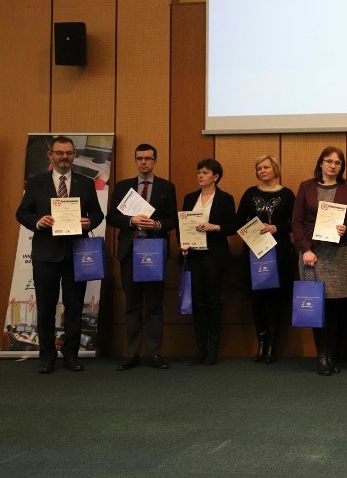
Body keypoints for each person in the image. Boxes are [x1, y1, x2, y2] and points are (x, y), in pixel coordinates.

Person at [15, 136, 104, 374]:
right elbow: (21, 213)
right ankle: (47, 356)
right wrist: (37, 221)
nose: (64, 157)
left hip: (77, 254)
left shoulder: (86, 183)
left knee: (74, 307)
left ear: (74, 155)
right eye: (60, 153)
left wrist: (89, 221)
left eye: (69, 153)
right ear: (51, 156)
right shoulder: (36, 183)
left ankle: (71, 355)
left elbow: (98, 214)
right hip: (46, 254)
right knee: (45, 307)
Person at [292, 147, 347, 376]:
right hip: (314, 254)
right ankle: (322, 356)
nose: (333, 166)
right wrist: (305, 249)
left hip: (341, 253)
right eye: (329, 161)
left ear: (342, 167)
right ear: (321, 163)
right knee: (318, 305)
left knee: (338, 306)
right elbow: (297, 221)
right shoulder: (306, 187)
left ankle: (333, 353)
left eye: (338, 163)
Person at [106, 143, 177, 371]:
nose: (144, 162)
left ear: (155, 161)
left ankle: (154, 354)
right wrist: (131, 221)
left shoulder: (167, 187)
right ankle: (132, 354)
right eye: (140, 158)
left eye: (148, 158)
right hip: (130, 251)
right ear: (135, 161)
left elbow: (173, 220)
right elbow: (111, 218)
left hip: (154, 251)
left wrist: (156, 224)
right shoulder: (123, 186)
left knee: (154, 306)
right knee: (133, 305)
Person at [235, 154, 296, 364]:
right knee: (257, 300)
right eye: (259, 168)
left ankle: (272, 344)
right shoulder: (250, 194)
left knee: (275, 300)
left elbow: (296, 223)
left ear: (275, 170)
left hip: (280, 254)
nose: (262, 171)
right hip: (254, 253)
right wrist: (251, 229)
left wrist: (277, 227)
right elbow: (238, 222)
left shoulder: (288, 194)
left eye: (266, 167)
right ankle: (261, 343)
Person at [179, 158, 236, 366]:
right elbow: (182, 224)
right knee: (198, 302)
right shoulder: (190, 197)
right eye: (199, 172)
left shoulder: (225, 199)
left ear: (216, 176)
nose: (200, 175)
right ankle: (200, 347)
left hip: (214, 256)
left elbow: (233, 226)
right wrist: (182, 243)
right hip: (193, 255)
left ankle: (213, 348)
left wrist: (214, 227)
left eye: (205, 172)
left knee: (213, 301)